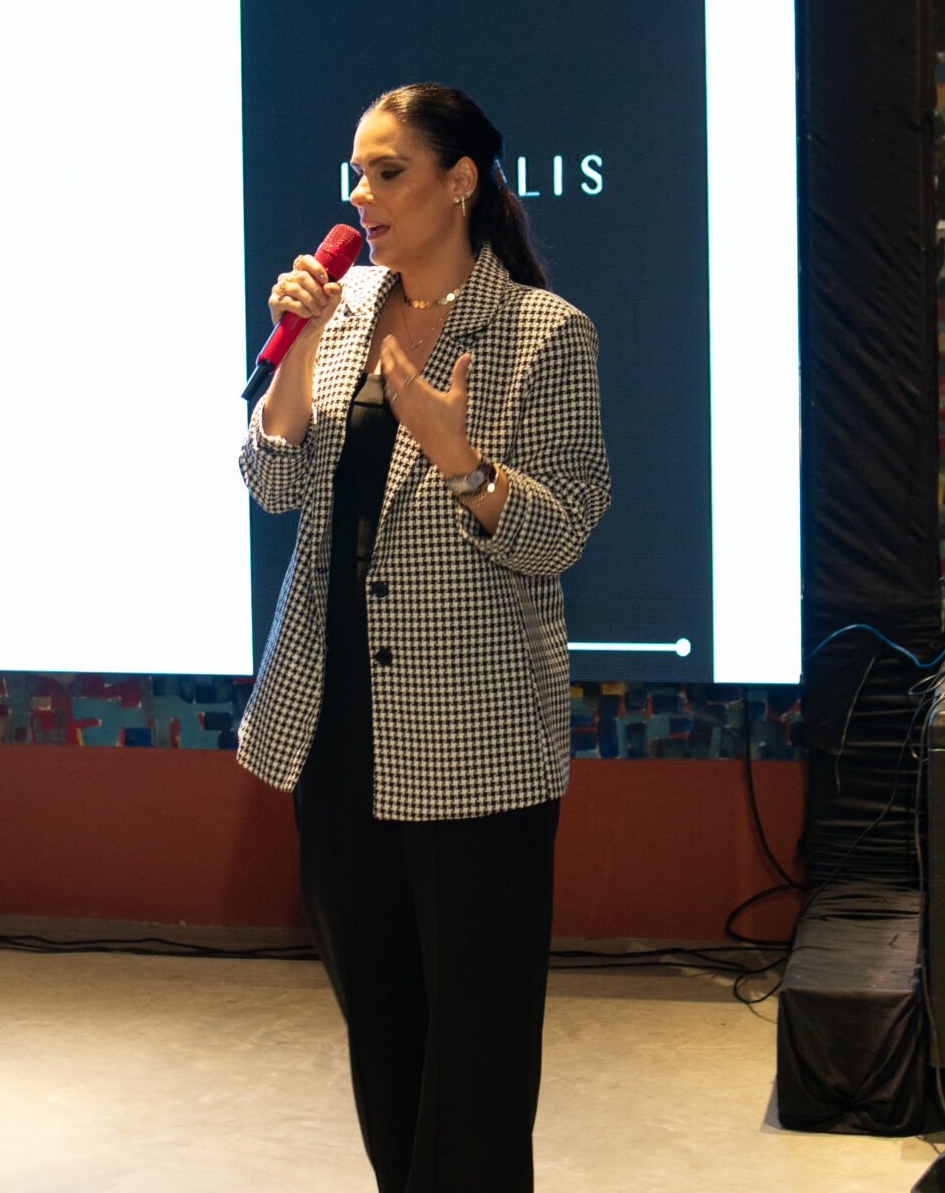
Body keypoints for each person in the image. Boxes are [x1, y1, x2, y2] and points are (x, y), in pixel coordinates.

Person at [236, 83, 609, 1191]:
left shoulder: (545, 333)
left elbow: (562, 532)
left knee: (477, 1061)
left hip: (477, 745)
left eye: (388, 172)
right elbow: (270, 480)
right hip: (335, 735)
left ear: (460, 182)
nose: (364, 195)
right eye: (358, 173)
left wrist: (462, 462)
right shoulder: (343, 308)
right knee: (384, 1035)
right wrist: (298, 348)